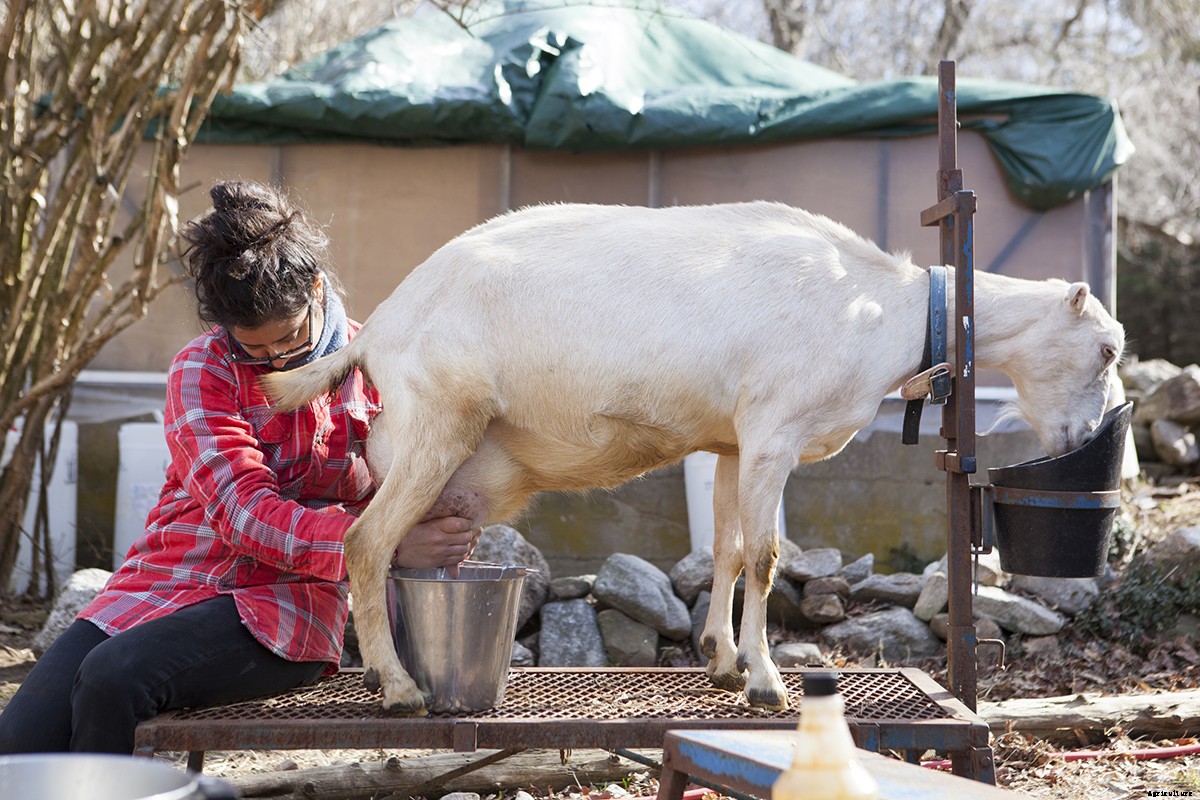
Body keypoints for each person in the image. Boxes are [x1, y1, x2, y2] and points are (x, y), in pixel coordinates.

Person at [0, 180, 481, 754]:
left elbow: (436, 481)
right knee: (16, 749)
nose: (275, 363)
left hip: (285, 603)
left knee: (111, 679)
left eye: (288, 342)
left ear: (316, 290)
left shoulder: (383, 364)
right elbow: (244, 514)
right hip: (166, 581)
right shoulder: (200, 370)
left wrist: (443, 525)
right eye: (254, 352)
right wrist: (386, 544)